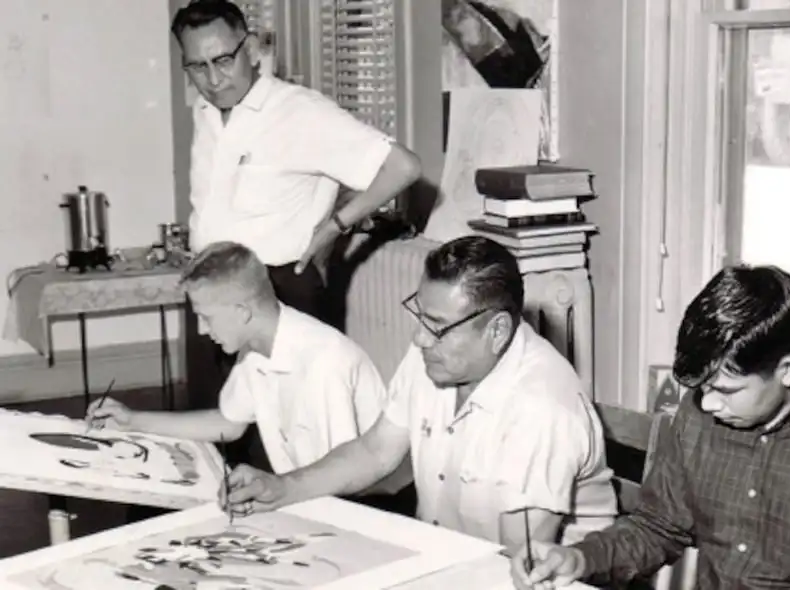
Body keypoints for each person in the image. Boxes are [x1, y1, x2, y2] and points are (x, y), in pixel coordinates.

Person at [512, 265, 790, 589]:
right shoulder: (699, 412)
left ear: (788, 370)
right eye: (702, 388)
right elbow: (659, 526)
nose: (707, 405)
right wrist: (581, 558)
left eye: (725, 390)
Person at [218, 236, 618, 552]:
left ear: (497, 331)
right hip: (448, 557)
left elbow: (519, 560)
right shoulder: (436, 355)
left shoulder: (542, 408)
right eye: (420, 316)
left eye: (438, 326)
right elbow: (374, 452)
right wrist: (282, 487)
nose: (419, 337)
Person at [171, 0, 422, 465]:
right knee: (219, 433)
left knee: (291, 453)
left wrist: (334, 227)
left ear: (252, 47)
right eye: (197, 66)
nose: (213, 78)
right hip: (215, 293)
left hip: (276, 290)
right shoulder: (206, 113)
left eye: (223, 59)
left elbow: (402, 166)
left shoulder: (299, 112)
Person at [86, 242, 389, 481]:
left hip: (364, 505)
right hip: (306, 492)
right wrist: (132, 421)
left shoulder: (324, 362)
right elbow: (228, 423)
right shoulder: (255, 347)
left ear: (243, 311)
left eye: (206, 318)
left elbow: (338, 478)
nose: (203, 331)